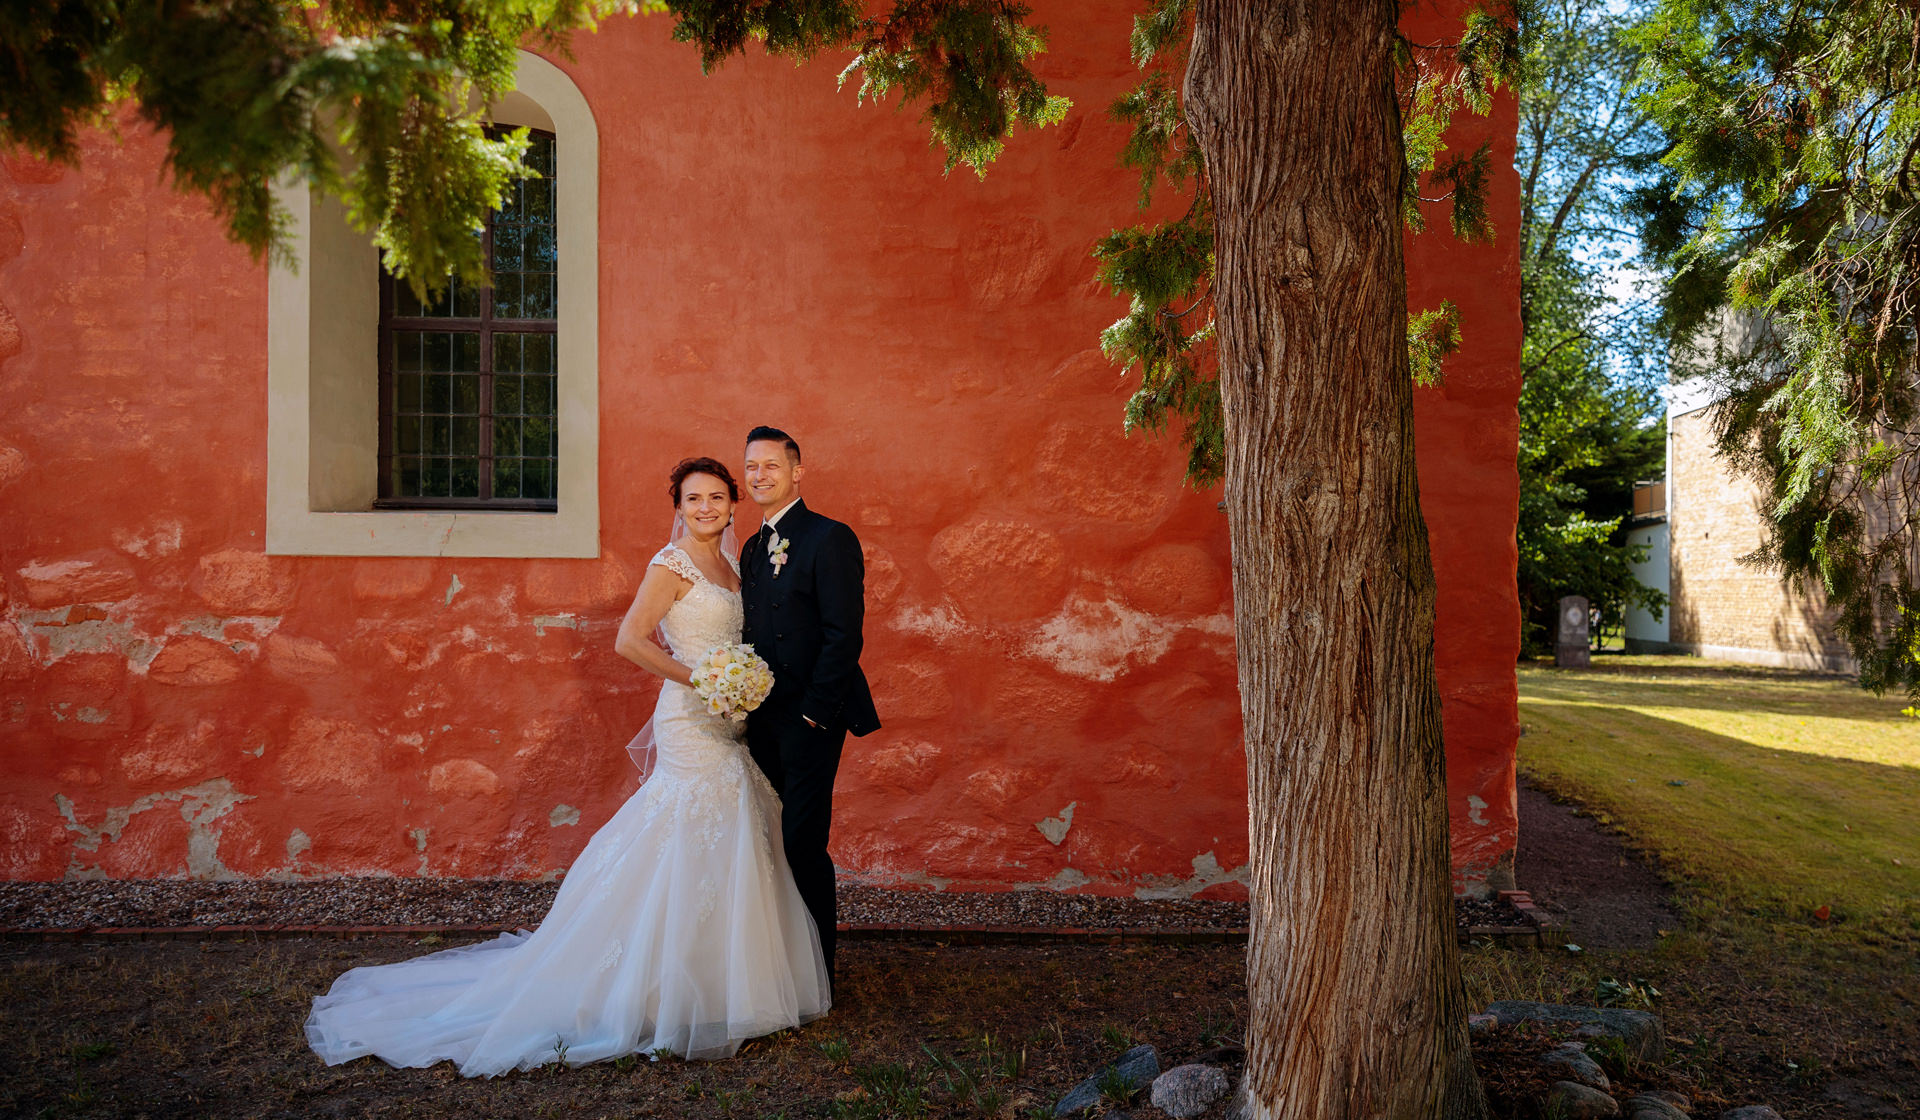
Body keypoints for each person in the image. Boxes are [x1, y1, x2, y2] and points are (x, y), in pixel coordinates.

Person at [304, 457, 829, 1076]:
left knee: (736, 820)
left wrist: (739, 686)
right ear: (678, 506)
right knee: (693, 817)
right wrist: (704, 680)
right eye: (694, 499)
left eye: (717, 497)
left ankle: (720, 981)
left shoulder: (736, 566)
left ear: (732, 504)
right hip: (690, 715)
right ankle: (649, 983)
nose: (706, 508)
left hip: (732, 716)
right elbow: (630, 640)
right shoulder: (672, 565)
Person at [739, 426, 881, 993]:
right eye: (751, 466)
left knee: (802, 841)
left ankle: (818, 973)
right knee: (770, 839)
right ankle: (780, 965)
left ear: (797, 472)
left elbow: (843, 634)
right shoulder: (751, 547)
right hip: (760, 720)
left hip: (811, 719)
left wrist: (815, 715)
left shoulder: (830, 538)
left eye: (772, 465)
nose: (760, 475)